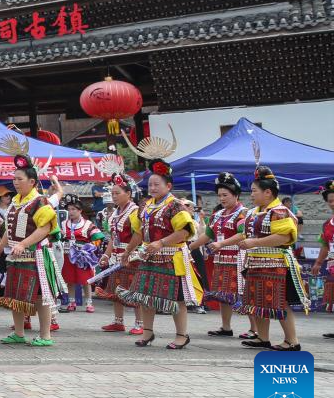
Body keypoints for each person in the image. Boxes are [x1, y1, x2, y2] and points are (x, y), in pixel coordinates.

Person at [116, 149, 203, 350]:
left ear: (168, 186)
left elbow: (185, 231)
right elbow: (138, 232)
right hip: (149, 256)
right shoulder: (145, 206)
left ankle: (182, 335)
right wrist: (128, 251)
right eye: (150, 184)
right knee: (144, 295)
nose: (152, 188)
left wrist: (162, 243)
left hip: (172, 258)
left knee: (177, 299)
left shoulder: (176, 206)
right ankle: (148, 332)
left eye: (157, 184)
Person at [230, 165, 309, 351]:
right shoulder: (252, 212)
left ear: (267, 192)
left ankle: (292, 340)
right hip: (256, 263)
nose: (251, 195)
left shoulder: (280, 211)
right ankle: (262, 337)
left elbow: (284, 237)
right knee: (258, 301)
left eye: (254, 191)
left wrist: (254, 243)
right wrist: (226, 243)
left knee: (280, 302)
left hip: (277, 264)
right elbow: (244, 233)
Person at [0, 153, 62, 347]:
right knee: (15, 295)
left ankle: (46, 335)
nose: (15, 182)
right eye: (14, 178)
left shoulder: (40, 202)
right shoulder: (15, 202)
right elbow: (8, 230)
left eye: (19, 179)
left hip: (36, 255)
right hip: (16, 256)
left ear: (32, 181)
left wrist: (23, 244)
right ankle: (19, 333)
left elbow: (45, 228)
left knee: (40, 296)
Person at [188, 172, 248, 337]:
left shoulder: (243, 213)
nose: (222, 198)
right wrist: (189, 247)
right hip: (221, 260)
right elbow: (207, 235)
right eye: (219, 195)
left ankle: (254, 329)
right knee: (223, 295)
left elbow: (243, 234)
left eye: (225, 195)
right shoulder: (217, 215)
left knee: (244, 294)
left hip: (240, 259)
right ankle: (226, 327)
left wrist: (221, 243)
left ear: (235, 194)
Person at [96, 173, 144, 335]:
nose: (114, 196)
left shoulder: (135, 211)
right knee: (116, 290)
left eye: (117, 193)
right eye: (113, 193)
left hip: (133, 256)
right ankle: (118, 321)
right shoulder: (116, 213)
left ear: (128, 194)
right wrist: (106, 255)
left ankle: (140, 323)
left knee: (133, 290)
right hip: (117, 255)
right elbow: (113, 237)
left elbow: (139, 235)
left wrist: (128, 251)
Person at [58, 194, 105, 313]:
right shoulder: (64, 224)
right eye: (69, 209)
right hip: (67, 255)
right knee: (70, 280)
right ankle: (71, 302)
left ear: (80, 210)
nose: (71, 212)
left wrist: (89, 248)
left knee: (86, 280)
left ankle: (89, 303)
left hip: (83, 257)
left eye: (73, 209)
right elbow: (58, 237)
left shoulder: (88, 224)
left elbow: (98, 237)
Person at [312, 180, 334, 339]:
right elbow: (325, 245)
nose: (332, 203)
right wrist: (318, 262)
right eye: (330, 201)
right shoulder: (327, 224)